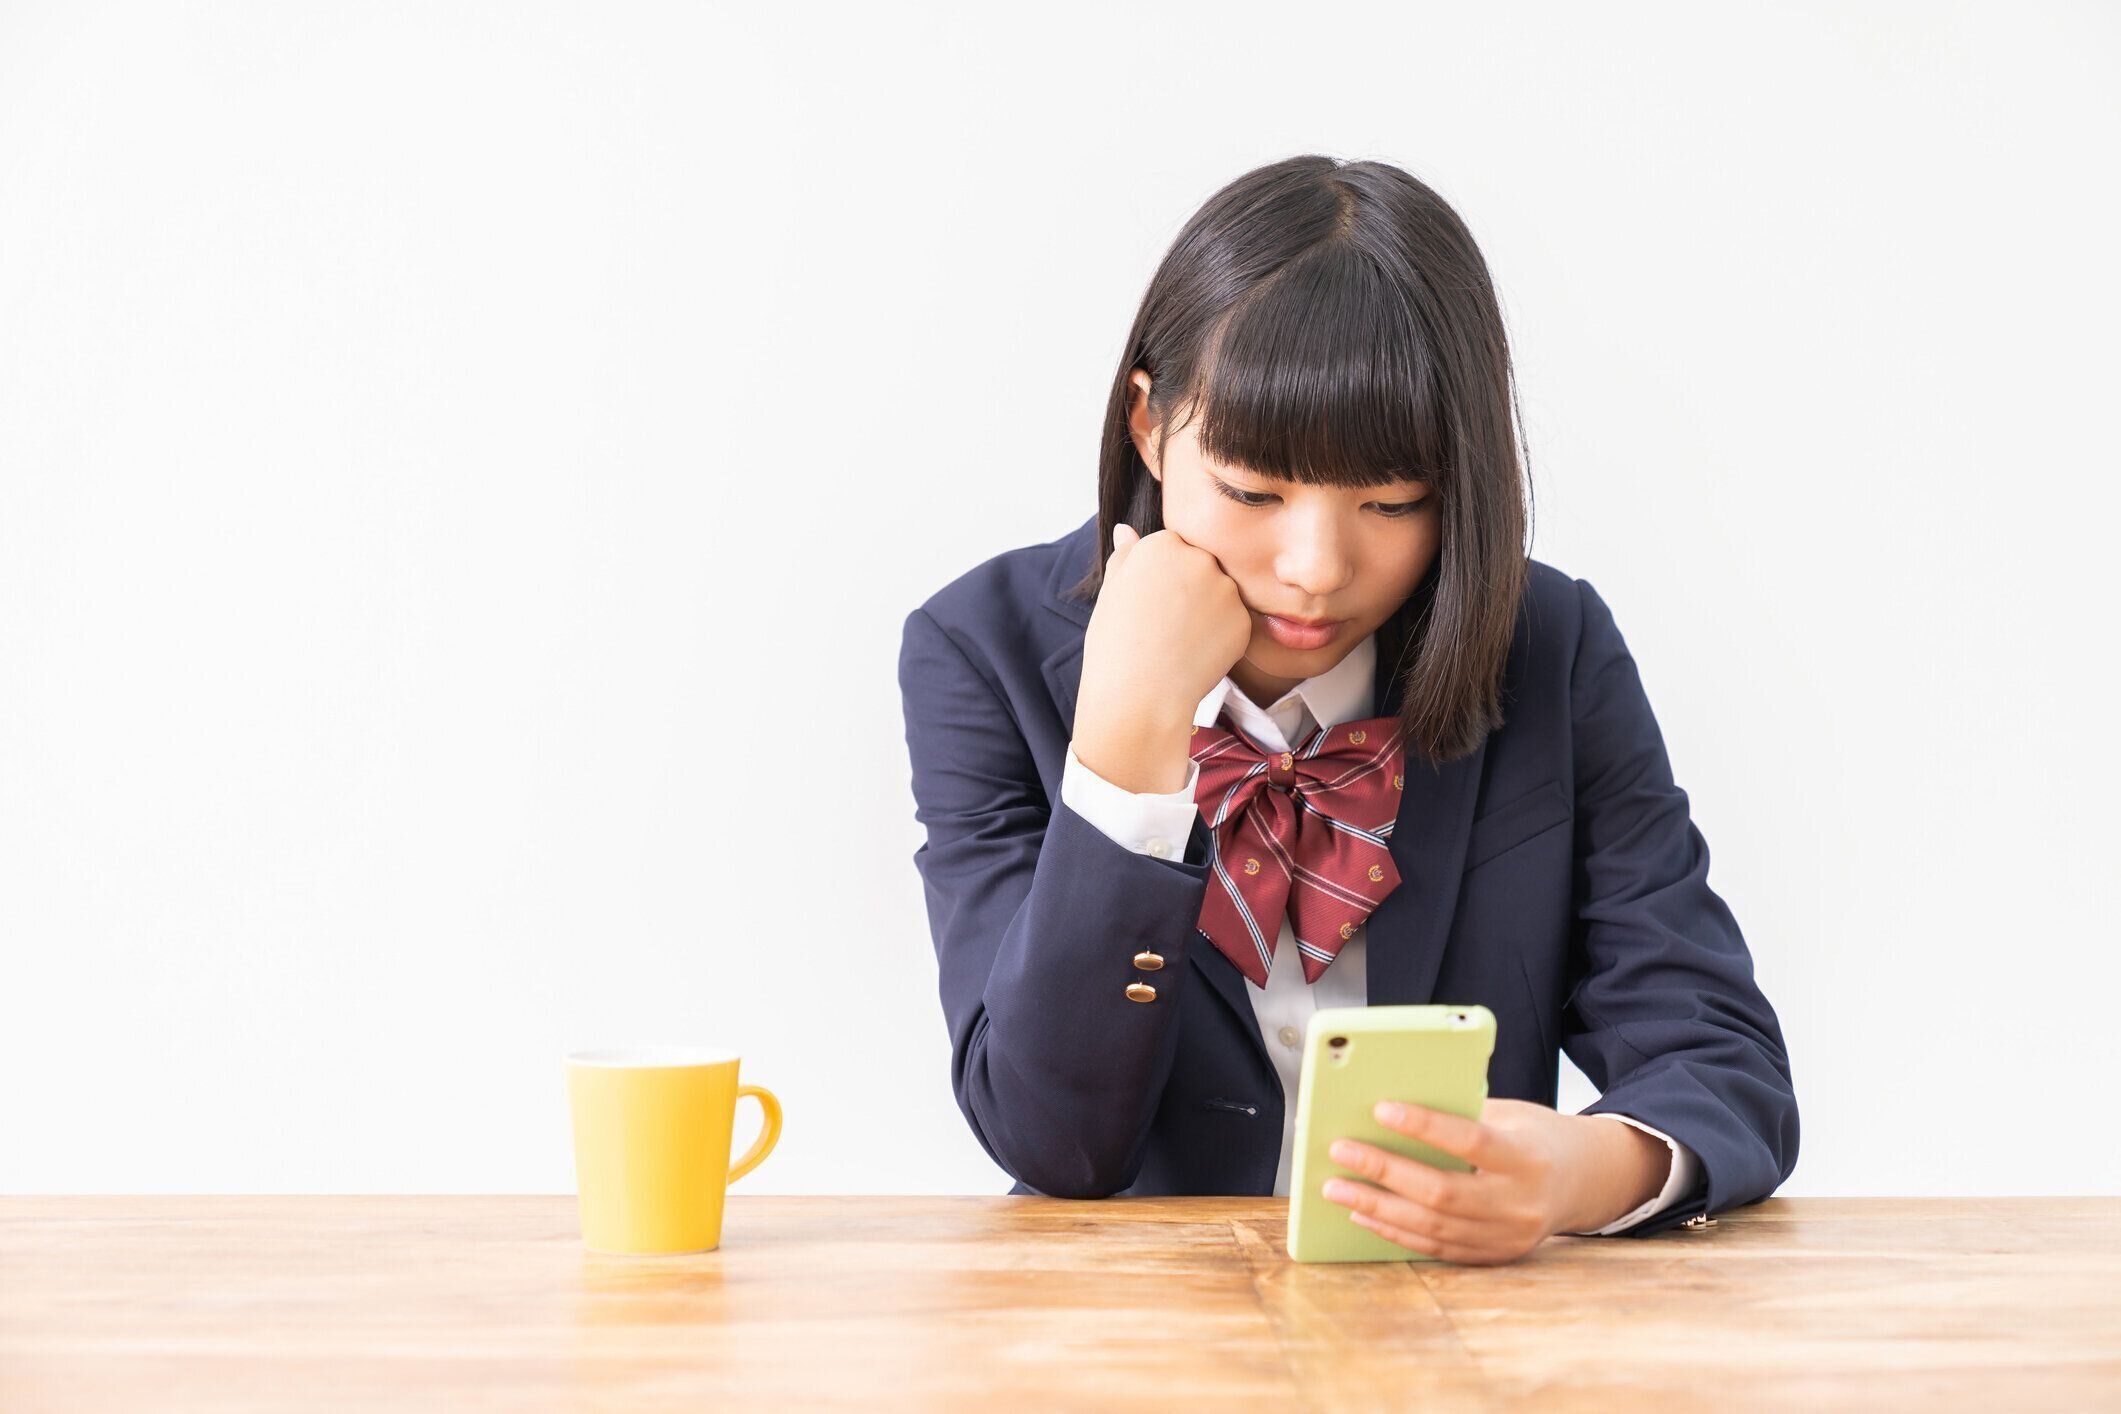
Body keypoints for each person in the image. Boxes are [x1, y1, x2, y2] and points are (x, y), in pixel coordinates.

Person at [896, 154, 1798, 1265]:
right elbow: (1052, 1140)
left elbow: (1723, 1064)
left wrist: (1574, 1169)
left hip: (1463, 1339)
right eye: (1253, 491)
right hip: (1126, 1348)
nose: (1316, 567)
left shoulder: (1551, 650)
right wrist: (1128, 741)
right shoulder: (978, 651)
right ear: (1148, 424)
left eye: (1391, 502)